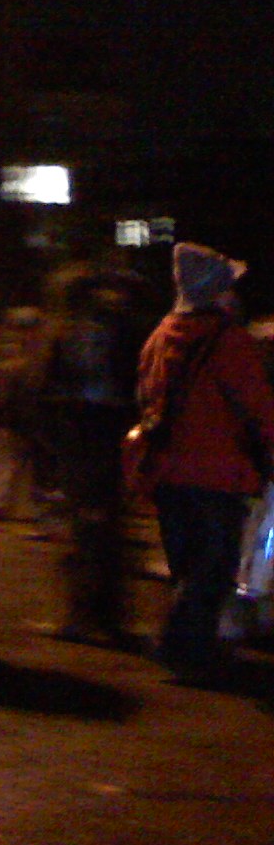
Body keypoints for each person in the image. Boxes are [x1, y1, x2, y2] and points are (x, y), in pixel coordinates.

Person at [133, 243, 274, 681]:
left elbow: (145, 397)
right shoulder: (229, 341)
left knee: (187, 565)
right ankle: (182, 649)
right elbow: (258, 406)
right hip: (217, 470)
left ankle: (192, 648)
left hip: (168, 471)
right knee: (214, 567)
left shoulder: (160, 335)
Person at [33, 268, 145, 645]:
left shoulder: (66, 332)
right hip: (112, 432)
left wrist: (49, 440)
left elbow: (45, 387)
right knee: (109, 526)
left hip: (80, 433)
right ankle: (111, 615)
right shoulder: (122, 327)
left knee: (83, 528)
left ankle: (81, 615)